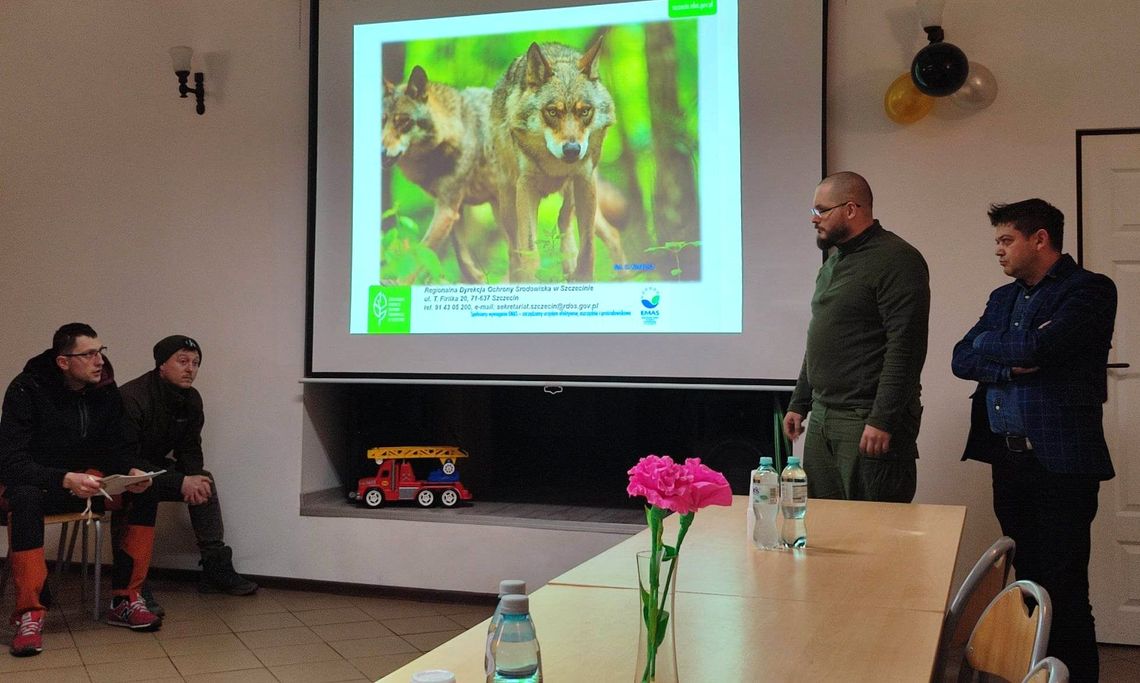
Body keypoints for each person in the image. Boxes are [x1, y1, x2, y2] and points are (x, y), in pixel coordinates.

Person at [951, 198, 1116, 683]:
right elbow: (962, 357)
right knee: (1026, 582)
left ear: (1039, 238)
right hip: (1010, 461)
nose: (998, 251)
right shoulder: (1003, 298)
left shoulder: (1089, 290)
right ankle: (1028, 674)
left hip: (1062, 464)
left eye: (1006, 240)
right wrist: (1005, 357)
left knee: (1064, 587)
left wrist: (1001, 349)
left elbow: (1044, 346)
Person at [0, 323, 163, 657]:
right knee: (26, 497)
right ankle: (29, 614)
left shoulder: (104, 390)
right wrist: (64, 477)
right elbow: (13, 463)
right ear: (63, 362)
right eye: (88, 354)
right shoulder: (26, 389)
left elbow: (114, 447)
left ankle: (126, 598)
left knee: (144, 490)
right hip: (35, 483)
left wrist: (131, 469)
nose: (99, 361)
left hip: (84, 483)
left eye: (101, 352)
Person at [782, 171, 930, 502]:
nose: (813, 219)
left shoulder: (897, 259)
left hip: (864, 420)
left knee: (874, 536)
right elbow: (821, 338)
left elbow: (905, 347)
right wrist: (800, 401)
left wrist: (883, 419)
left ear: (851, 209)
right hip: (823, 418)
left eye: (821, 210)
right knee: (825, 528)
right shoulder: (833, 264)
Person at [118, 335, 257, 607]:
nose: (190, 368)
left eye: (195, 363)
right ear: (161, 365)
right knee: (140, 486)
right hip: (126, 469)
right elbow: (125, 456)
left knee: (204, 480)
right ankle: (132, 582)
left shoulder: (191, 399)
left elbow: (190, 449)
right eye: (182, 361)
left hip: (155, 467)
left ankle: (215, 566)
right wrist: (180, 480)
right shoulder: (132, 396)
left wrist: (193, 479)